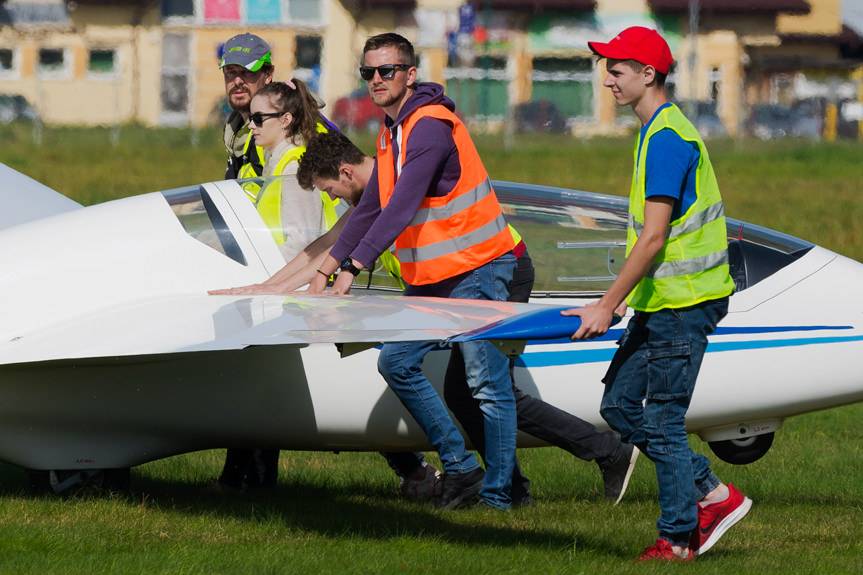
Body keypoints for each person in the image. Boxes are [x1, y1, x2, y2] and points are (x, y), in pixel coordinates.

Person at [290, 132, 639, 505]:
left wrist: (345, 270)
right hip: (447, 277)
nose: (332, 199)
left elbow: (369, 233)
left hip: (494, 267)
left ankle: (552, 469)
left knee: (485, 386)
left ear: (345, 172)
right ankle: (519, 480)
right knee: (463, 390)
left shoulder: (393, 181)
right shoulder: (376, 187)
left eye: (329, 190)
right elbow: (343, 239)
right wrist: (307, 278)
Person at [565, 26, 751, 560]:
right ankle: (713, 494)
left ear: (648, 74)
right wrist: (625, 297)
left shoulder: (669, 139)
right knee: (620, 405)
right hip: (660, 300)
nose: (608, 80)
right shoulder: (653, 132)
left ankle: (677, 539)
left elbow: (653, 238)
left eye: (617, 69)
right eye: (607, 68)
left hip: (684, 304)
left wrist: (606, 303)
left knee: (664, 420)